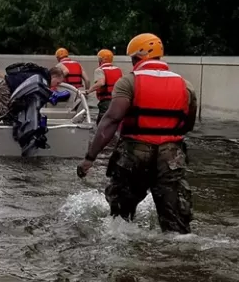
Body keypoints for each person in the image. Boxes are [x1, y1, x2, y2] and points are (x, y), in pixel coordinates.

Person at [77, 33, 198, 234]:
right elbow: (188, 124)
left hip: (134, 152)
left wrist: (90, 158)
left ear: (135, 58)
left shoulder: (129, 82)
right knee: (176, 223)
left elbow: (111, 120)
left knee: (120, 219)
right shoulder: (185, 85)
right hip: (171, 156)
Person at [0, 63, 65, 124]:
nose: (57, 85)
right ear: (54, 76)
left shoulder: (41, 75)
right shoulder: (42, 80)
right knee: (10, 120)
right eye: (57, 83)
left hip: (8, 88)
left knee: (17, 118)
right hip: (4, 90)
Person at [85, 49, 123, 124]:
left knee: (101, 123)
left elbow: (101, 83)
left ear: (101, 59)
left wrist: (89, 91)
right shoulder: (118, 70)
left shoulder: (99, 70)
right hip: (117, 100)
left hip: (106, 101)